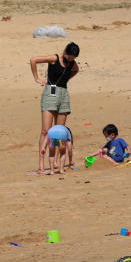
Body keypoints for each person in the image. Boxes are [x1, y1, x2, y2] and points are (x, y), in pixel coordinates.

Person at [31, 43, 80, 174]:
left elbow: (76, 70)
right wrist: (37, 78)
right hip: (50, 93)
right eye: (69, 57)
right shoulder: (54, 58)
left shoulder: (72, 64)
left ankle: (56, 162)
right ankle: (41, 163)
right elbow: (33, 60)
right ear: (65, 52)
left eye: (73, 58)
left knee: (59, 132)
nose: (70, 60)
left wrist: (66, 79)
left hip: (63, 94)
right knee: (46, 131)